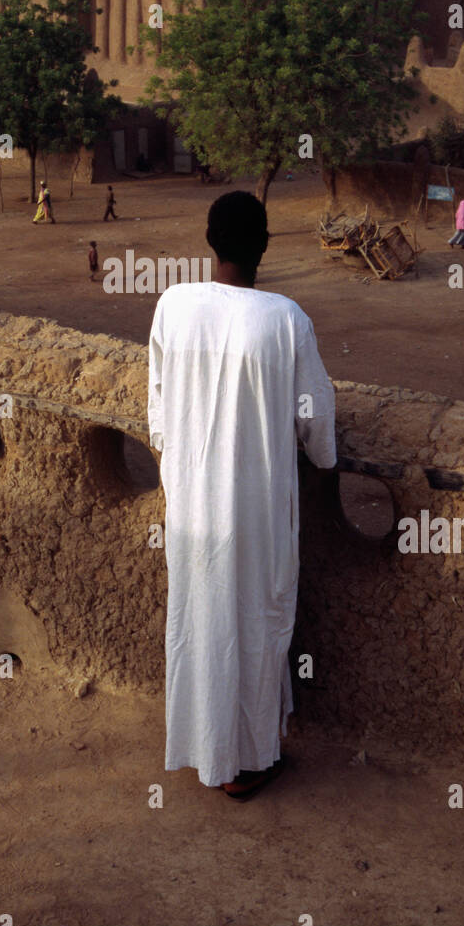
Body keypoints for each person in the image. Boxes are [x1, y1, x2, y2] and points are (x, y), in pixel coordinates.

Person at [147, 191, 337, 801]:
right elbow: (316, 424)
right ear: (264, 245)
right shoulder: (286, 320)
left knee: (201, 623)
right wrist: (324, 463)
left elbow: (157, 415)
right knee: (256, 627)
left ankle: (208, 749)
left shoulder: (174, 306)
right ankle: (247, 762)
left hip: (192, 508)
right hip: (254, 513)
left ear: (209, 240)